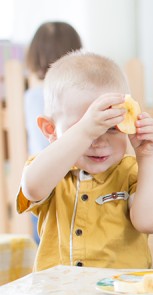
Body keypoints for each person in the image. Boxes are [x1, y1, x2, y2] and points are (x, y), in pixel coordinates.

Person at [17, 51, 153, 271]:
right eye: (84, 128)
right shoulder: (50, 171)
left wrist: (148, 157)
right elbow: (32, 188)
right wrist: (84, 131)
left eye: (112, 128)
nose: (99, 141)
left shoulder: (134, 172)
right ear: (50, 130)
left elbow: (151, 222)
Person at [24, 21, 83, 244]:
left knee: (45, 237)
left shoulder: (33, 96)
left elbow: (41, 143)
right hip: (70, 174)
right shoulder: (76, 93)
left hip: (43, 174)